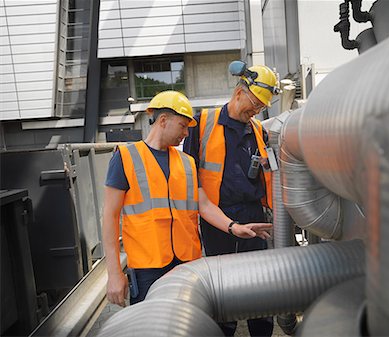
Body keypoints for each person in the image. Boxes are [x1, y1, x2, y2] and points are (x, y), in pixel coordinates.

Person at [102, 90, 272, 308]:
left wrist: (234, 227)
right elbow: (110, 217)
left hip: (187, 263)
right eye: (183, 126)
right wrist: (114, 273)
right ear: (163, 120)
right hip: (148, 267)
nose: (186, 134)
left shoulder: (187, 163)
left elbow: (205, 205)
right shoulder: (126, 157)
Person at [183, 62, 280, 337]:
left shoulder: (259, 131)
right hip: (216, 217)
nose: (255, 111)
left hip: (253, 214)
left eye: (261, 108)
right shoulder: (202, 124)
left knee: (258, 284)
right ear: (240, 91)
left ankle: (261, 332)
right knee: (222, 286)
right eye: (254, 104)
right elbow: (189, 177)